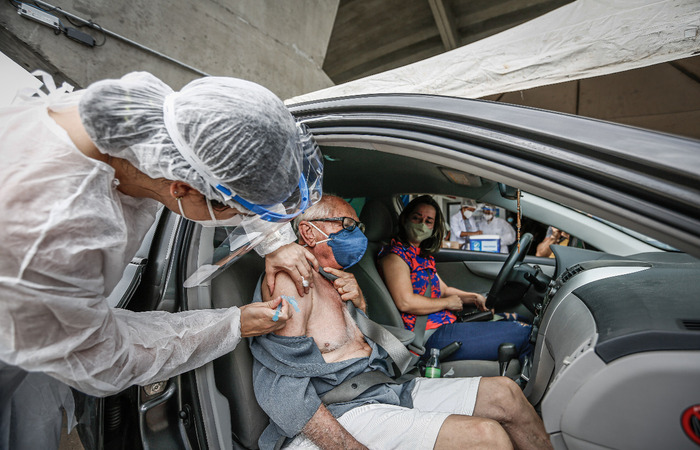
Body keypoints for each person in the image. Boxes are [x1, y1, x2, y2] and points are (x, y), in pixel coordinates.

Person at [0, 71, 323, 449]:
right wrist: (229, 325)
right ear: (182, 188)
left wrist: (275, 241)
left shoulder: (150, 115)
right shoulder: (50, 239)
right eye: (234, 212)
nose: (240, 219)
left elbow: (219, 166)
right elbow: (103, 357)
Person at [250, 194, 552, 450]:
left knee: (506, 393)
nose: (358, 235)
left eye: (360, 227)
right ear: (310, 232)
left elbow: (355, 346)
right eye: (349, 226)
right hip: (344, 407)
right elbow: (280, 388)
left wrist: (360, 305)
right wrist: (347, 445)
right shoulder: (293, 281)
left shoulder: (336, 279)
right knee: (487, 437)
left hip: (386, 387)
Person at [377, 195, 532, 363]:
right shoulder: (395, 257)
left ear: (434, 227)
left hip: (444, 324)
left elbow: (443, 290)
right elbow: (405, 302)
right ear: (405, 219)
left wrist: (473, 298)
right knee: (526, 334)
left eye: (428, 221)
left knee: (521, 320)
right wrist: (447, 303)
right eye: (417, 218)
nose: (422, 224)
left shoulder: (421, 256)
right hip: (427, 335)